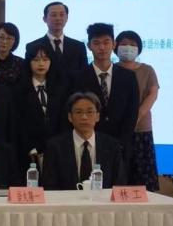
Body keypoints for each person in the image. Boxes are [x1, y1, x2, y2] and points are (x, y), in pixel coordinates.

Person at [70, 23, 140, 167]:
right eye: (96, 43)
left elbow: (132, 113)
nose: (102, 47)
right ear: (89, 46)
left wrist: (121, 142)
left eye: (106, 42)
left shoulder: (128, 77)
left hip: (120, 146)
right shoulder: (77, 78)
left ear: (114, 44)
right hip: (88, 145)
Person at [40, 92, 127, 190]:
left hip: (102, 199)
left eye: (90, 112)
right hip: (67, 199)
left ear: (97, 116)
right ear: (70, 117)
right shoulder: (54, 147)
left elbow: (119, 185)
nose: (84, 117)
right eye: (78, 112)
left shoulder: (112, 146)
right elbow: (49, 186)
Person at [115, 30, 160, 191]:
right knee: (120, 173)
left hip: (141, 129)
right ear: (116, 47)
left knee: (142, 176)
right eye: (124, 44)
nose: (128, 47)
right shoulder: (111, 69)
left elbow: (152, 94)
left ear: (139, 48)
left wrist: (136, 116)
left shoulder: (147, 70)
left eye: (132, 44)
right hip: (117, 129)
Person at [14, 40, 66, 173]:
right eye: (36, 60)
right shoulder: (19, 89)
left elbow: (63, 119)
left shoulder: (60, 88)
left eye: (45, 59)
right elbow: (18, 122)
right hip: (29, 151)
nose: (41, 64)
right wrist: (29, 147)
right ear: (29, 62)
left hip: (57, 148)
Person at [24, 1, 88, 75]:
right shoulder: (32, 46)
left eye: (61, 15)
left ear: (67, 18)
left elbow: (84, 75)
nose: (58, 18)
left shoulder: (79, 47)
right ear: (44, 19)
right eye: (53, 15)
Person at [0, 22, 25, 87]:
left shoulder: (21, 63)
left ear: (15, 41)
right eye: (1, 37)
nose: (4, 41)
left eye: (9, 38)